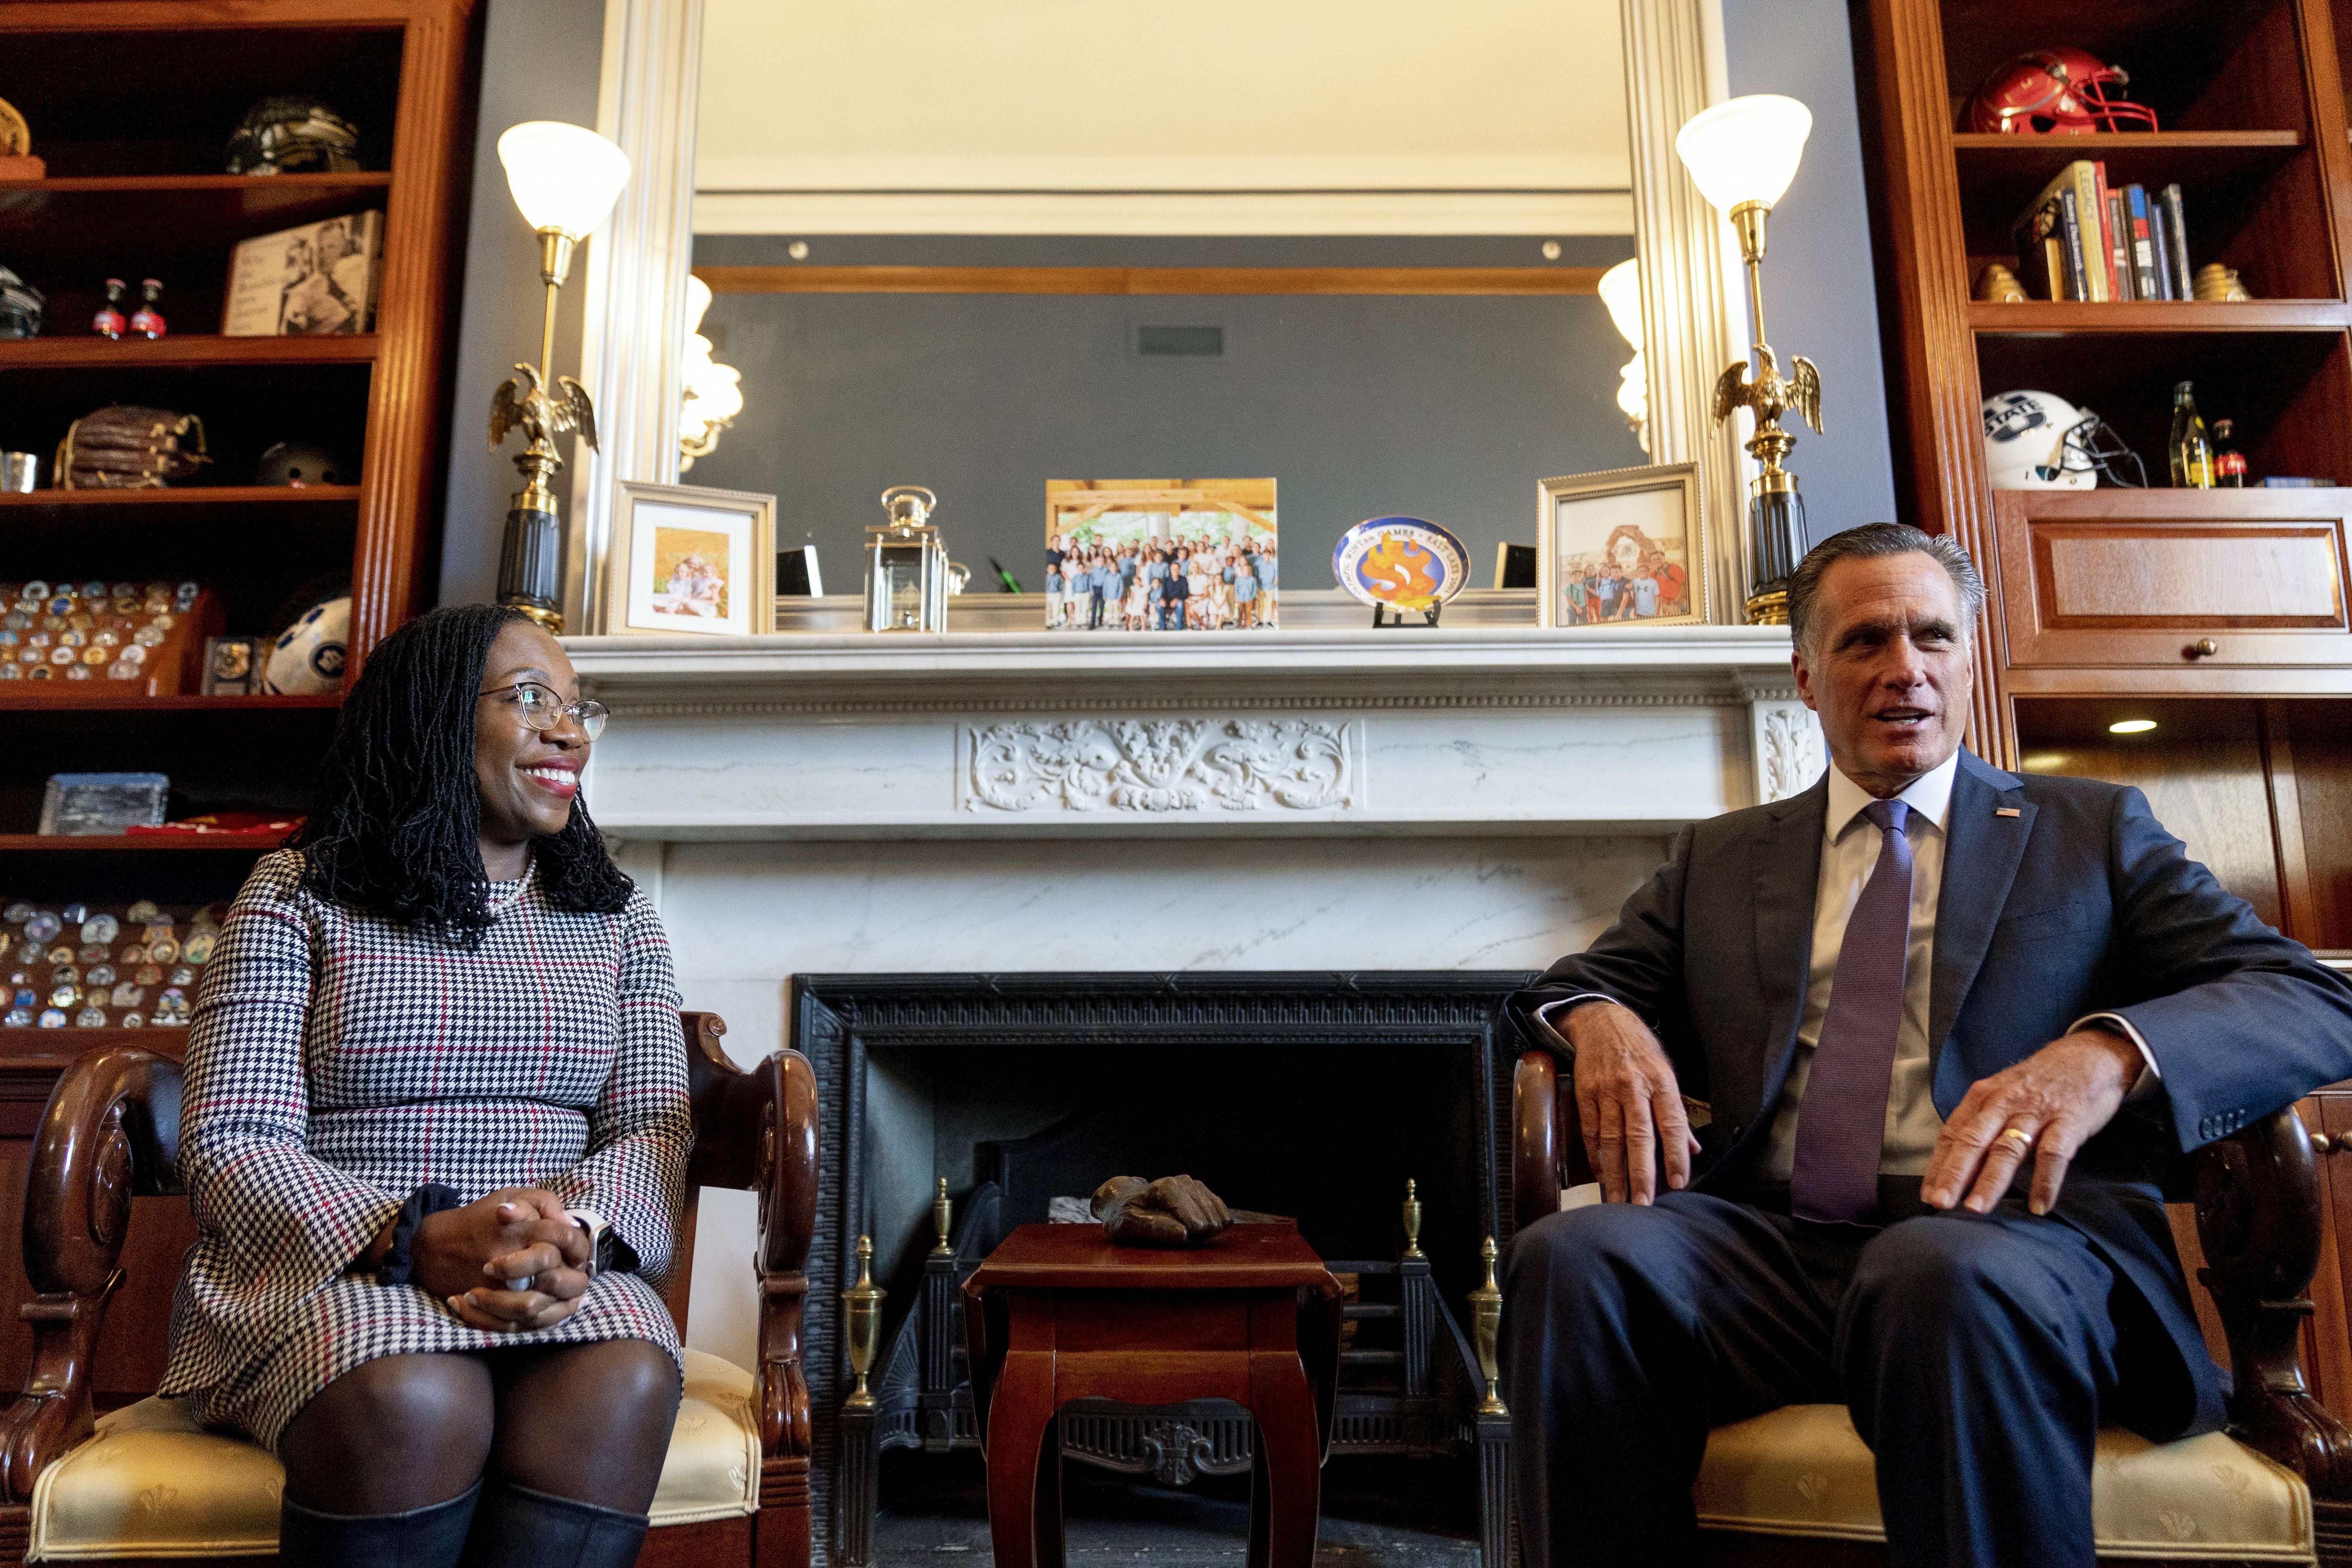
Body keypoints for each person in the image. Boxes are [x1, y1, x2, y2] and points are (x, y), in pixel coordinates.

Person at [1501, 523, 2352, 1568]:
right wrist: (1600, 1018)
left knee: (1930, 1269)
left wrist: (2109, 1050)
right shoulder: (1721, 858)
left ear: (1965, 658)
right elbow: (1563, 985)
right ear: (1807, 676)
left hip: (2012, 1246)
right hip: (1772, 1250)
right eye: (1865, 641)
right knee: (1574, 1256)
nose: (1903, 667)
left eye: (1931, 636)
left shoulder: (2088, 830)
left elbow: (2307, 993)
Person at [166, 604, 692, 1568]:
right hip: (330, 1269)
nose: (568, 729)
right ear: (435, 715)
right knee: (419, 1392)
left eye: (579, 708)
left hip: (559, 1268)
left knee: (625, 1367)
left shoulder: (619, 921)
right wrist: (419, 1234)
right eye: (531, 698)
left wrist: (572, 1240)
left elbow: (654, 1129)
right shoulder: (297, 893)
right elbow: (233, 1138)